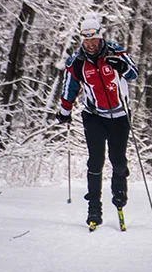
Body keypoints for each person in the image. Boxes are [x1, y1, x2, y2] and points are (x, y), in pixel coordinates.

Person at [56, 16, 138, 228]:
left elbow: (133, 73)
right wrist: (65, 110)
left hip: (120, 116)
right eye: (86, 40)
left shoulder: (115, 51)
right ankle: (94, 207)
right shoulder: (76, 62)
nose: (90, 44)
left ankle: (119, 193)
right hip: (94, 116)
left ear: (100, 38)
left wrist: (121, 66)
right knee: (95, 160)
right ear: (82, 40)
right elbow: (69, 87)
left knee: (118, 159)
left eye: (94, 40)